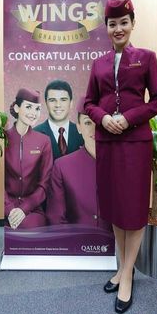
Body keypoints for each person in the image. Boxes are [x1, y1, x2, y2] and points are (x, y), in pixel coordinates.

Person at [84, 0, 157, 314]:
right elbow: (88, 102)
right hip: (107, 143)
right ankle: (122, 267)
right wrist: (103, 118)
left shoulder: (146, 58)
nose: (118, 29)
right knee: (116, 208)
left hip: (135, 143)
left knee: (133, 209)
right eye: (112, 24)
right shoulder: (98, 64)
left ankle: (127, 275)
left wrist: (129, 117)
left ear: (133, 23)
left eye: (124, 22)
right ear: (106, 28)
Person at [46, 96, 110, 230]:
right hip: (76, 244)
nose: (94, 130)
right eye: (87, 123)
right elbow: (56, 219)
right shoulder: (62, 166)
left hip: (117, 245)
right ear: (79, 127)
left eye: (99, 123)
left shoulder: (122, 164)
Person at [5, 88, 53, 229]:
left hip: (32, 208)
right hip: (7, 205)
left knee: (31, 227)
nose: (33, 113)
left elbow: (45, 184)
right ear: (17, 108)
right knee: (10, 230)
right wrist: (9, 209)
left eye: (37, 109)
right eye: (28, 107)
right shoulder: (2, 138)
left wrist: (24, 208)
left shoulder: (44, 141)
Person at [34, 80, 84, 160]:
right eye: (52, 100)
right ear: (46, 103)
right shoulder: (34, 135)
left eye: (63, 100)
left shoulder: (83, 133)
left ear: (71, 103)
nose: (58, 105)